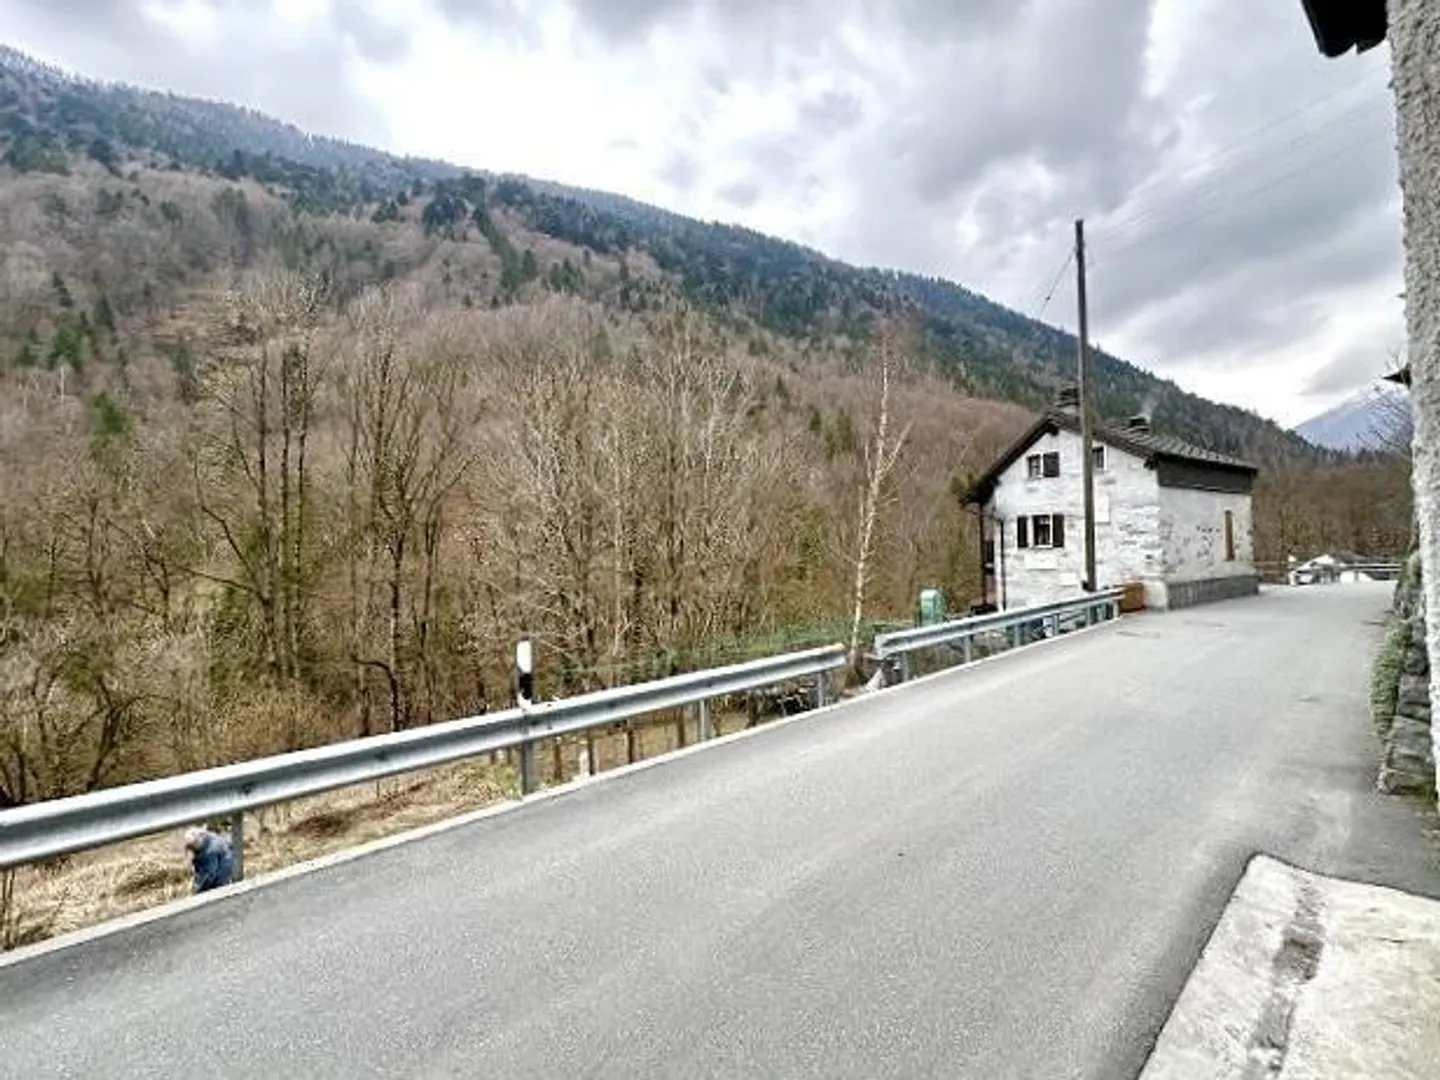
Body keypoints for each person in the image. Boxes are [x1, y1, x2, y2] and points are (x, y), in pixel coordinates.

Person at [183, 826, 236, 893]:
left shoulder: (209, 852)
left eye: (192, 848)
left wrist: (198, 890)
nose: (193, 851)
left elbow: (209, 875)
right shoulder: (211, 837)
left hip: (222, 882)